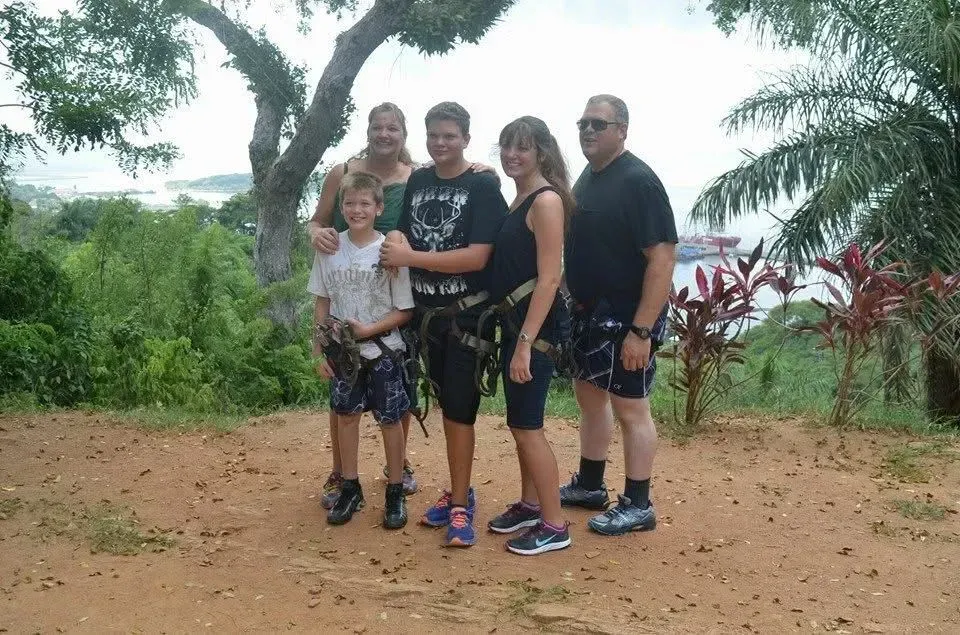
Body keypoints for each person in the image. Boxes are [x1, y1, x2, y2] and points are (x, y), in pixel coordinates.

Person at [380, 101, 508, 548]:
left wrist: (411, 257)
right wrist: (396, 240)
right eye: (434, 135)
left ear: (466, 139)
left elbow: (478, 255)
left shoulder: (483, 187)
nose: (440, 143)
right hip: (423, 317)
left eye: (449, 136)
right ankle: (458, 491)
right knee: (436, 404)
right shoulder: (418, 179)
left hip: (466, 316)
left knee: (459, 413)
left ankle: (460, 505)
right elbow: (400, 230)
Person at [559, 94, 678, 535]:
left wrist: (641, 331)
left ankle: (638, 503)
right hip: (590, 315)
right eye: (583, 123)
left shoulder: (638, 182)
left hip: (628, 318)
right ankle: (590, 484)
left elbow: (663, 259)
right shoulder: (588, 179)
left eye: (599, 124)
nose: (588, 131)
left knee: (631, 409)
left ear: (622, 129)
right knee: (589, 398)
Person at [307, 103, 418, 508]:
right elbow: (317, 221)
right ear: (367, 130)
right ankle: (343, 474)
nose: (384, 134)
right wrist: (316, 235)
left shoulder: (416, 175)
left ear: (403, 134)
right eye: (377, 127)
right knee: (344, 397)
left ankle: (398, 468)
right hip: (344, 275)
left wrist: (482, 168)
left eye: (393, 128)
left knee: (397, 389)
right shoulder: (343, 173)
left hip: (393, 278)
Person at [485, 116, 573, 555]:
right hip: (516, 328)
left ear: (541, 151)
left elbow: (549, 279)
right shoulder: (520, 197)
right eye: (505, 146)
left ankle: (555, 524)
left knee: (528, 427)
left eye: (521, 147)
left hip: (532, 335)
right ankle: (530, 503)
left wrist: (524, 344)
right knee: (519, 423)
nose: (511, 155)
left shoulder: (545, 202)